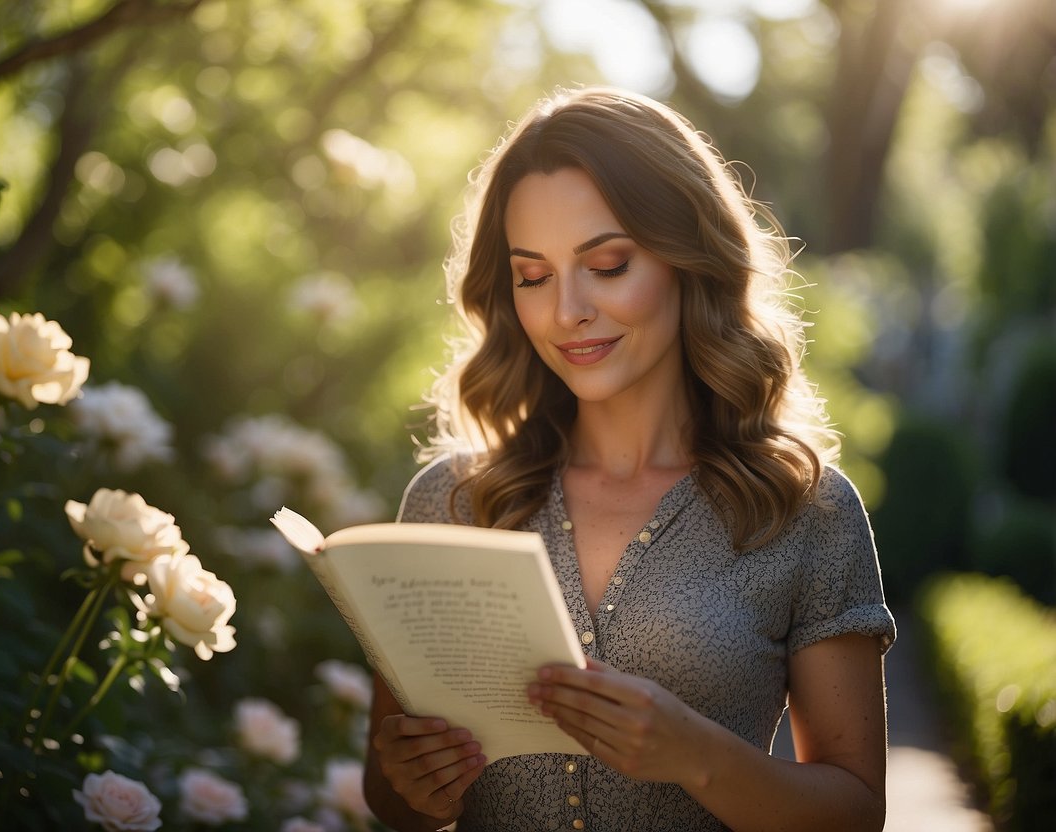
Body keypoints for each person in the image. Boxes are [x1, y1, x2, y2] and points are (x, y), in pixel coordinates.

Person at [363, 86, 896, 832]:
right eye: (533, 275)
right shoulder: (450, 504)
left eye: (607, 264)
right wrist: (412, 783)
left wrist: (694, 756)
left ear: (688, 259)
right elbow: (391, 802)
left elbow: (856, 813)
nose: (565, 311)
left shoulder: (802, 509)